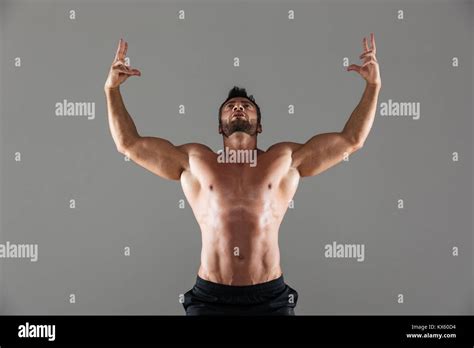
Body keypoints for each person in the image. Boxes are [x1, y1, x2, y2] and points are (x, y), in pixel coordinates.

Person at [104, 34, 381, 315]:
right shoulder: (194, 160)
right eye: (231, 106)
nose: (238, 107)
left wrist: (373, 86)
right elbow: (128, 144)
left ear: (259, 126)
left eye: (246, 106)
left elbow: (351, 140)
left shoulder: (284, 159)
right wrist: (111, 90)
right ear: (219, 126)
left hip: (269, 297)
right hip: (210, 298)